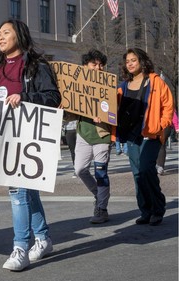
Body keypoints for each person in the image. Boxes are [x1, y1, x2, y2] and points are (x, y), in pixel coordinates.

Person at [0, 19, 61, 271]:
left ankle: (20, 247)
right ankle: (43, 238)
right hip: (3, 135)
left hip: (27, 136)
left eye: (6, 32)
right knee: (29, 190)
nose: (0, 37)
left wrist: (24, 97)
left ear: (19, 35)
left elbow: (52, 97)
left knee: (17, 191)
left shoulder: (36, 65)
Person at [117, 48, 173, 226]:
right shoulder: (123, 86)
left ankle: (158, 208)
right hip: (131, 135)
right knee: (137, 175)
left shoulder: (155, 82)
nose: (130, 63)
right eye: (128, 61)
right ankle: (145, 210)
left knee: (146, 169)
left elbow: (168, 106)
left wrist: (161, 125)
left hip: (151, 133)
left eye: (133, 60)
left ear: (141, 61)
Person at [74, 49, 113, 224]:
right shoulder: (76, 84)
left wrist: (103, 115)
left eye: (100, 64)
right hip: (84, 133)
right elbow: (72, 111)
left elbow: (114, 112)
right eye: (94, 64)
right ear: (85, 66)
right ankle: (99, 194)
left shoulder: (108, 85)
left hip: (102, 135)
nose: (98, 67)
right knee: (79, 170)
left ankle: (102, 209)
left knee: (101, 172)